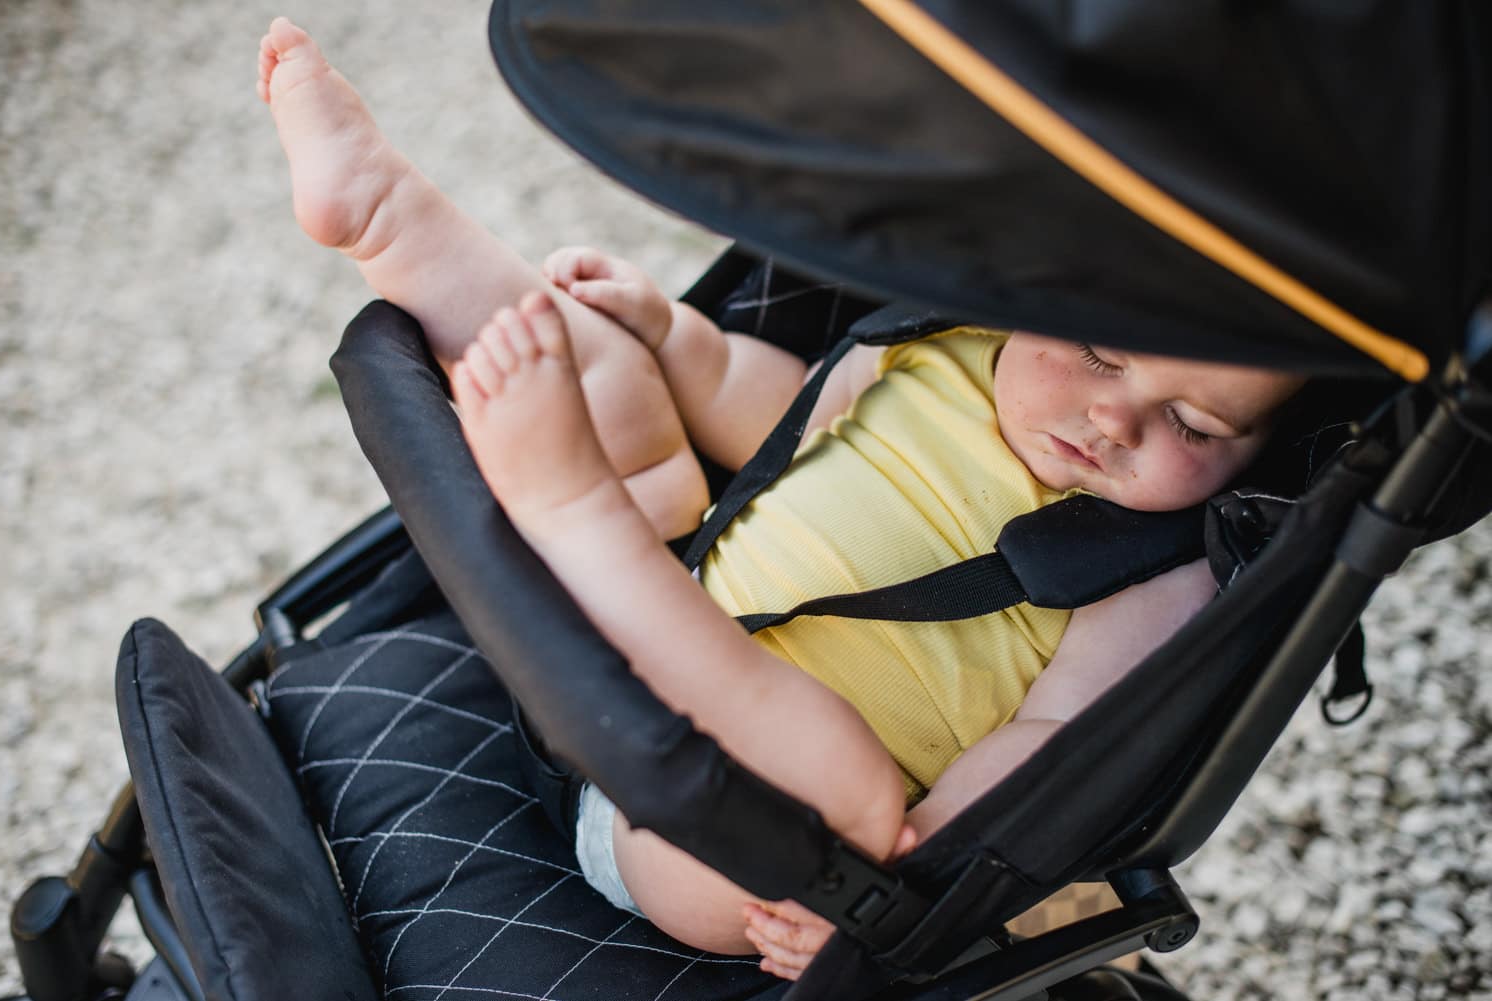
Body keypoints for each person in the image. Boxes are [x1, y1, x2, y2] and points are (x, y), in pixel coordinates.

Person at [258, 17, 1304, 978]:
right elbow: (776, 428)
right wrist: (674, 337)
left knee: (843, 783)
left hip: (722, 837)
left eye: (1196, 427)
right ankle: (394, 218)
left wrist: (912, 890)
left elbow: (1049, 742)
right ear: (1034, 298)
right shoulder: (945, 343)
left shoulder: (1163, 570)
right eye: (1096, 351)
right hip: (617, 641)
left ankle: (574, 514)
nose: (1116, 420)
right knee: (613, 379)